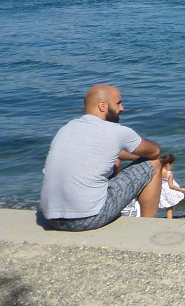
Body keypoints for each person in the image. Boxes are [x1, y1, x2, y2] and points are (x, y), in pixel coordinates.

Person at [39, 84, 162, 231]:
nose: (122, 108)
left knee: (114, 159)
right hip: (87, 218)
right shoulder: (118, 132)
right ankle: (148, 226)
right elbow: (154, 152)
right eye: (118, 103)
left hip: (52, 218)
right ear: (102, 106)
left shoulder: (67, 128)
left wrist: (120, 154)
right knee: (154, 164)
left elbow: (103, 153)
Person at [158, 153, 185, 219]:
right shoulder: (169, 173)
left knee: (155, 205)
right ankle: (169, 221)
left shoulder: (157, 170)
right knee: (169, 207)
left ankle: (148, 217)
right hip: (168, 191)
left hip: (159, 189)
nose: (171, 167)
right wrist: (181, 189)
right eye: (172, 165)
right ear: (168, 164)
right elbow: (171, 186)